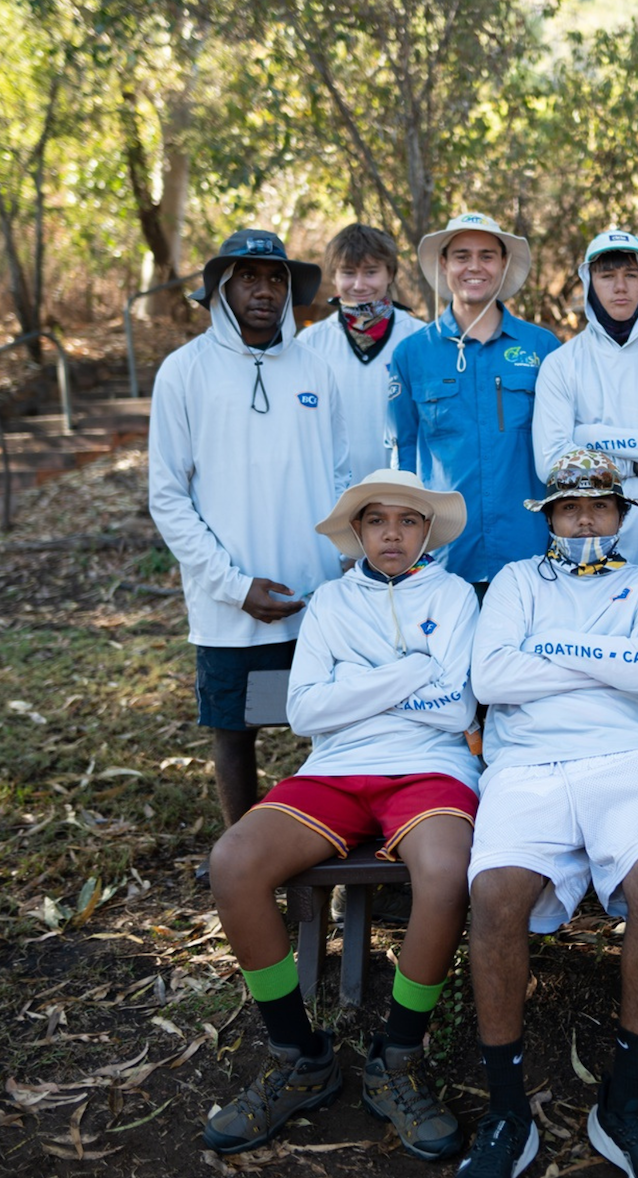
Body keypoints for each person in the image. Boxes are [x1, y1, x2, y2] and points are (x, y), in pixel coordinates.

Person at [202, 469, 481, 1159]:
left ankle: (399, 1056)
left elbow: (458, 709)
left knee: (445, 872)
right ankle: (299, 1055)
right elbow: (305, 712)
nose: (392, 532)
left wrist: (353, 687)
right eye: (376, 520)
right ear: (356, 532)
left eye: (408, 520)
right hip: (333, 769)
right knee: (233, 863)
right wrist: (414, 668)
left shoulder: (453, 596)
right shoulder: (329, 600)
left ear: (426, 531)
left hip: (430, 765)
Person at [454, 449, 638, 1178]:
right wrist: (604, 660)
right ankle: (506, 1112)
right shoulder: (517, 581)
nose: (583, 518)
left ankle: (624, 1104)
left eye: (598, 505)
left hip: (627, 756)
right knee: (494, 893)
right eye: (568, 507)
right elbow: (490, 677)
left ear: (621, 514)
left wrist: (548, 650)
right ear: (550, 516)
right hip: (527, 764)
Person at [148, 229, 349, 829]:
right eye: (249, 277)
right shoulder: (184, 372)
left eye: (277, 278)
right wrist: (234, 586)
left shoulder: (317, 369)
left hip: (315, 600)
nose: (265, 290)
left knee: (330, 733)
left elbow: (339, 479)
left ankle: (329, 851)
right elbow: (167, 495)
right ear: (220, 288)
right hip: (228, 605)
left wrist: (343, 574)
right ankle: (241, 858)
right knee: (235, 733)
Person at [533, 228, 638, 748]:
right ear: (589, 281)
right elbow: (551, 464)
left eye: (632, 273)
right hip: (588, 545)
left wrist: (595, 436)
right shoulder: (563, 364)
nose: (620, 286)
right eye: (608, 274)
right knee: (601, 676)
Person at [388, 212, 560, 594]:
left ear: (503, 264)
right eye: (462, 255)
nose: (474, 266)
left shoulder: (543, 347)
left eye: (487, 255)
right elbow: (404, 453)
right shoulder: (412, 353)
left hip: (531, 553)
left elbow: (562, 449)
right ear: (444, 263)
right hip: (444, 559)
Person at [297, 223, 425, 483]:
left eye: (370, 272)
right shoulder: (310, 342)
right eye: (347, 273)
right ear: (334, 277)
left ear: (390, 274)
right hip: (332, 493)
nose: (358, 284)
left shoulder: (419, 338)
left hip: (402, 493)